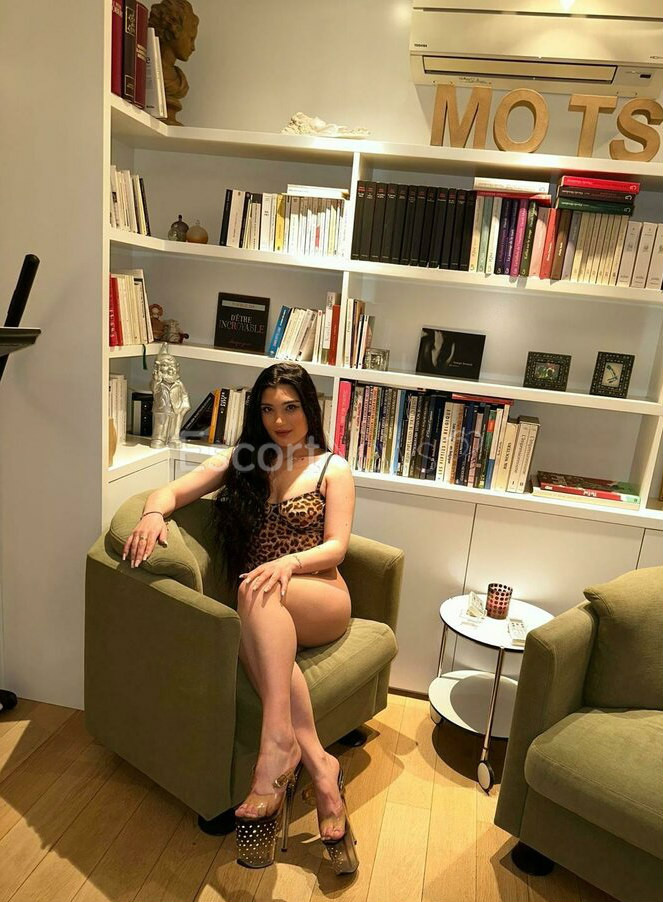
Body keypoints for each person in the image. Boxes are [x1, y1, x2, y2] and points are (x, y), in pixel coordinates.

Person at [122, 362, 358, 874]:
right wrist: (153, 514)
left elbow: (337, 548)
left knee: (257, 590)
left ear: (309, 409)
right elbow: (172, 491)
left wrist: (288, 563)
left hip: (319, 595)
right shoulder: (245, 459)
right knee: (256, 599)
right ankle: (322, 770)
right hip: (262, 605)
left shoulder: (332, 467)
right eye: (268, 409)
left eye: (290, 408)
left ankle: (277, 749)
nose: (280, 420)